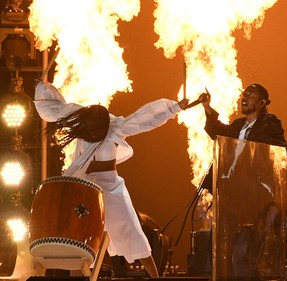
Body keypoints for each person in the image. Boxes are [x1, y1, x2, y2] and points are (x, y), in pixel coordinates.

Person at [33, 80, 189, 278]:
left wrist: (174, 107)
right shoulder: (82, 122)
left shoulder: (116, 127)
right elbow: (55, 108)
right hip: (86, 188)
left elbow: (145, 118)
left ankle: (155, 277)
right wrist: (42, 88)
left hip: (111, 188)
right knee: (81, 238)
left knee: (132, 231)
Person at [198, 83, 287, 193]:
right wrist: (206, 106)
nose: (245, 98)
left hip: (254, 191)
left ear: (262, 103)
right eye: (244, 95)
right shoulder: (239, 124)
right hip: (228, 188)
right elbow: (218, 132)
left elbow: (281, 151)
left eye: (251, 95)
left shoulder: (269, 123)